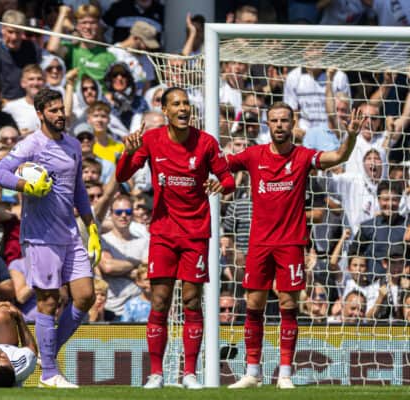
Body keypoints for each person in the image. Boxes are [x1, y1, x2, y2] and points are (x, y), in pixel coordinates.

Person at [225, 102, 364, 389]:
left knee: (288, 305)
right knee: (253, 305)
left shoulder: (302, 157)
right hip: (259, 243)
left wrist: (350, 135)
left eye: (284, 121)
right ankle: (253, 372)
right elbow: (219, 164)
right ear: (267, 124)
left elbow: (339, 155)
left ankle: (285, 374)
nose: (278, 125)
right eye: (274, 120)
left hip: (290, 243)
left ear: (292, 124)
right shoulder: (253, 155)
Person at [115, 87, 236, 389]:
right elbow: (121, 175)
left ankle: (190, 373)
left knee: (192, 301)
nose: (183, 108)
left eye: (186, 104)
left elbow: (229, 179)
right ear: (165, 110)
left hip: (195, 234)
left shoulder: (206, 143)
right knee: (159, 301)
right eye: (176, 104)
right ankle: (156, 373)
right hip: (164, 233)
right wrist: (128, 152)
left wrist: (221, 185)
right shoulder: (152, 140)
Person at [0, 88, 101, 388]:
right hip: (40, 236)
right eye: (52, 110)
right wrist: (25, 185)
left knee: (85, 295)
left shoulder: (74, 146)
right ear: (40, 113)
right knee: (49, 301)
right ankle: (49, 374)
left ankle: (44, 354)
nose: (59, 114)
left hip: (70, 233)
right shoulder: (31, 144)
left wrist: (91, 227)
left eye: (61, 109)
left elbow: (79, 189)